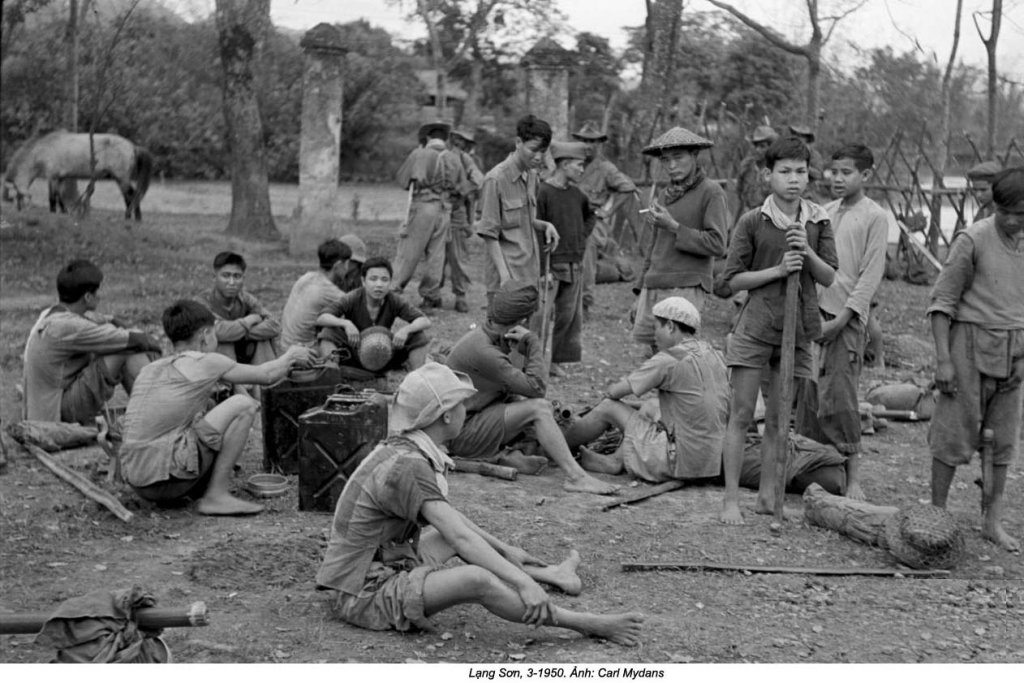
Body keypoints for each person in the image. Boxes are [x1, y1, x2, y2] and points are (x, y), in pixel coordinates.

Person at [314, 362, 644, 643]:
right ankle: (584, 623)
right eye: (461, 405)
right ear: (444, 416)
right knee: (477, 579)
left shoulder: (406, 448)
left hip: (380, 562)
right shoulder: (409, 465)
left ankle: (553, 574)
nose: (466, 410)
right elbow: (461, 537)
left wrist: (505, 550)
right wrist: (522, 583)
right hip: (362, 592)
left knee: (461, 541)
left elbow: (455, 526)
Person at [715, 136, 838, 525]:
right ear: (768, 176)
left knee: (781, 419)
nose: (793, 180)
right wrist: (778, 270)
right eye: (784, 172)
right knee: (741, 414)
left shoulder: (818, 220)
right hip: (756, 328)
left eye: (800, 172)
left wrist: (808, 251)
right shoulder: (753, 221)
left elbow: (830, 277)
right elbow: (729, 281)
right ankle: (731, 500)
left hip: (798, 329)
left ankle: (769, 496)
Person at [119, 300, 314, 515]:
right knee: (243, 406)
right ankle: (216, 495)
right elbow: (266, 375)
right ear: (205, 335)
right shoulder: (203, 361)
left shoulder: (150, 369)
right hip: (165, 483)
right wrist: (292, 356)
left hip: (137, 481)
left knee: (212, 405)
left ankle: (201, 488)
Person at [927, 167, 1024, 552]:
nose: (1014, 220)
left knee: (1003, 440)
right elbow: (942, 303)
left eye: (1023, 212)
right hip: (967, 343)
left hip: (1014, 349)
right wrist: (943, 360)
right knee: (953, 434)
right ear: (994, 206)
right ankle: (935, 516)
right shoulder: (973, 240)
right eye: (1006, 212)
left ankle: (992, 521)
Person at [445, 280, 619, 495]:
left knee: (550, 423)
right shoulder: (484, 350)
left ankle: (528, 455)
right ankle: (576, 477)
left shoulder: (494, 337)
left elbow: (516, 388)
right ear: (522, 320)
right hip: (461, 433)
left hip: (473, 420)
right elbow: (536, 388)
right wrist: (534, 343)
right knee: (539, 409)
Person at [796, 144, 888, 501]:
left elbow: (870, 275)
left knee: (841, 397)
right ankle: (811, 467)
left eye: (846, 172)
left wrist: (846, 317)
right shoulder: (824, 212)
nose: (837, 178)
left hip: (845, 319)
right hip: (814, 314)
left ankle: (853, 478)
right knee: (807, 394)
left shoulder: (875, 217)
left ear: (865, 175)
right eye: (834, 171)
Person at [562, 297, 729, 483]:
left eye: (656, 327)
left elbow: (615, 393)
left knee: (608, 407)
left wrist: (612, 394)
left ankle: (556, 446)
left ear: (671, 327)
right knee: (650, 405)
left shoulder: (670, 358)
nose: (654, 335)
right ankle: (615, 461)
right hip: (711, 461)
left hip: (678, 461)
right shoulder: (715, 354)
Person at [22, 259, 161, 424]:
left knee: (122, 344)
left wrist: (115, 322)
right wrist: (157, 352)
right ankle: (158, 411)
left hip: (45, 407)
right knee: (126, 350)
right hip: (56, 415)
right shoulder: (68, 326)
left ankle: (152, 410)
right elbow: (133, 339)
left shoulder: (52, 314)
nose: (100, 296)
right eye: (97, 292)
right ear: (87, 297)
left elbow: (102, 320)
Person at [632, 127, 729, 354]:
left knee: (679, 356)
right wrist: (639, 292)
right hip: (655, 285)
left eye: (678, 158)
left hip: (687, 286)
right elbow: (654, 245)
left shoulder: (711, 192)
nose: (672, 166)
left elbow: (717, 244)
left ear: (694, 156)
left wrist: (674, 227)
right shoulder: (665, 194)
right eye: (666, 160)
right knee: (655, 358)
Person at [476, 115, 559, 325]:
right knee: (500, 341)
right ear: (518, 143)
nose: (539, 157)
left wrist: (545, 225)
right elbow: (489, 234)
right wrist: (505, 278)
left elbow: (525, 221)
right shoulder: (495, 179)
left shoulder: (531, 176)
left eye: (543, 151)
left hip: (528, 273)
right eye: (534, 150)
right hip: (507, 277)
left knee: (523, 341)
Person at [392, 121, 469, 309]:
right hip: (445, 210)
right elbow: (464, 188)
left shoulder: (420, 154)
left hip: (423, 206)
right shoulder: (454, 158)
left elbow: (403, 181)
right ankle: (431, 295)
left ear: (427, 138)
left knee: (409, 251)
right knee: (436, 254)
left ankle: (394, 289)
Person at [536, 141, 595, 377]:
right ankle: (535, 362)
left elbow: (590, 216)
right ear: (564, 164)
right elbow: (536, 232)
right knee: (540, 316)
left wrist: (579, 238)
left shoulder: (577, 194)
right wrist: (543, 268)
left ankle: (555, 361)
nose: (582, 170)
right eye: (579, 165)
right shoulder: (543, 192)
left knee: (568, 316)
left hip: (574, 264)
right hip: (551, 266)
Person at [318, 257, 432, 373]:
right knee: (329, 332)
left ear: (390, 282)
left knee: (418, 336)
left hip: (385, 353)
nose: (379, 284)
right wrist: (346, 323)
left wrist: (406, 330)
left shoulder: (394, 300)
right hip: (355, 352)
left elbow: (424, 320)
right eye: (373, 279)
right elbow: (322, 317)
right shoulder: (352, 298)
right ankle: (331, 372)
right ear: (363, 281)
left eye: (384, 280)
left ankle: (419, 376)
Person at [571, 122, 637, 321]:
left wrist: (607, 211)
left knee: (587, 248)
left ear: (600, 144)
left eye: (592, 142)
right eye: (583, 141)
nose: (588, 146)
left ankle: (584, 304)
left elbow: (628, 187)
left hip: (593, 221)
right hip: (570, 218)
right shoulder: (570, 163)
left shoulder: (605, 168)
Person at [196, 251, 280, 366]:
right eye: (226, 276)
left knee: (263, 338)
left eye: (237, 276)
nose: (231, 282)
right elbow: (218, 332)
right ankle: (228, 383)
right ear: (214, 277)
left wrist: (238, 333)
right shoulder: (202, 302)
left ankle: (267, 379)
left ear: (243, 278)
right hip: (210, 364)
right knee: (223, 342)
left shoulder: (245, 298)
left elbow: (274, 325)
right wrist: (248, 321)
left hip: (243, 354)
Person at [279, 239, 351, 352]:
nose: (348, 269)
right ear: (338, 265)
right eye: (347, 264)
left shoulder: (306, 277)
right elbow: (358, 305)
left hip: (284, 346)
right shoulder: (328, 290)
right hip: (304, 352)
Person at [443, 129, 486, 313]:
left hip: (456, 211)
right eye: (457, 138)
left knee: (457, 255)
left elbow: (479, 180)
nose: (459, 142)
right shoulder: (441, 155)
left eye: (463, 139)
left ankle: (460, 296)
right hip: (438, 208)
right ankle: (431, 295)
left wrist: (461, 190)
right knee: (435, 255)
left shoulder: (466, 159)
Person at [735, 125, 779, 215]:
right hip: (747, 215)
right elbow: (739, 192)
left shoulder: (777, 170)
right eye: (756, 146)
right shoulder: (746, 166)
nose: (758, 150)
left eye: (762, 146)